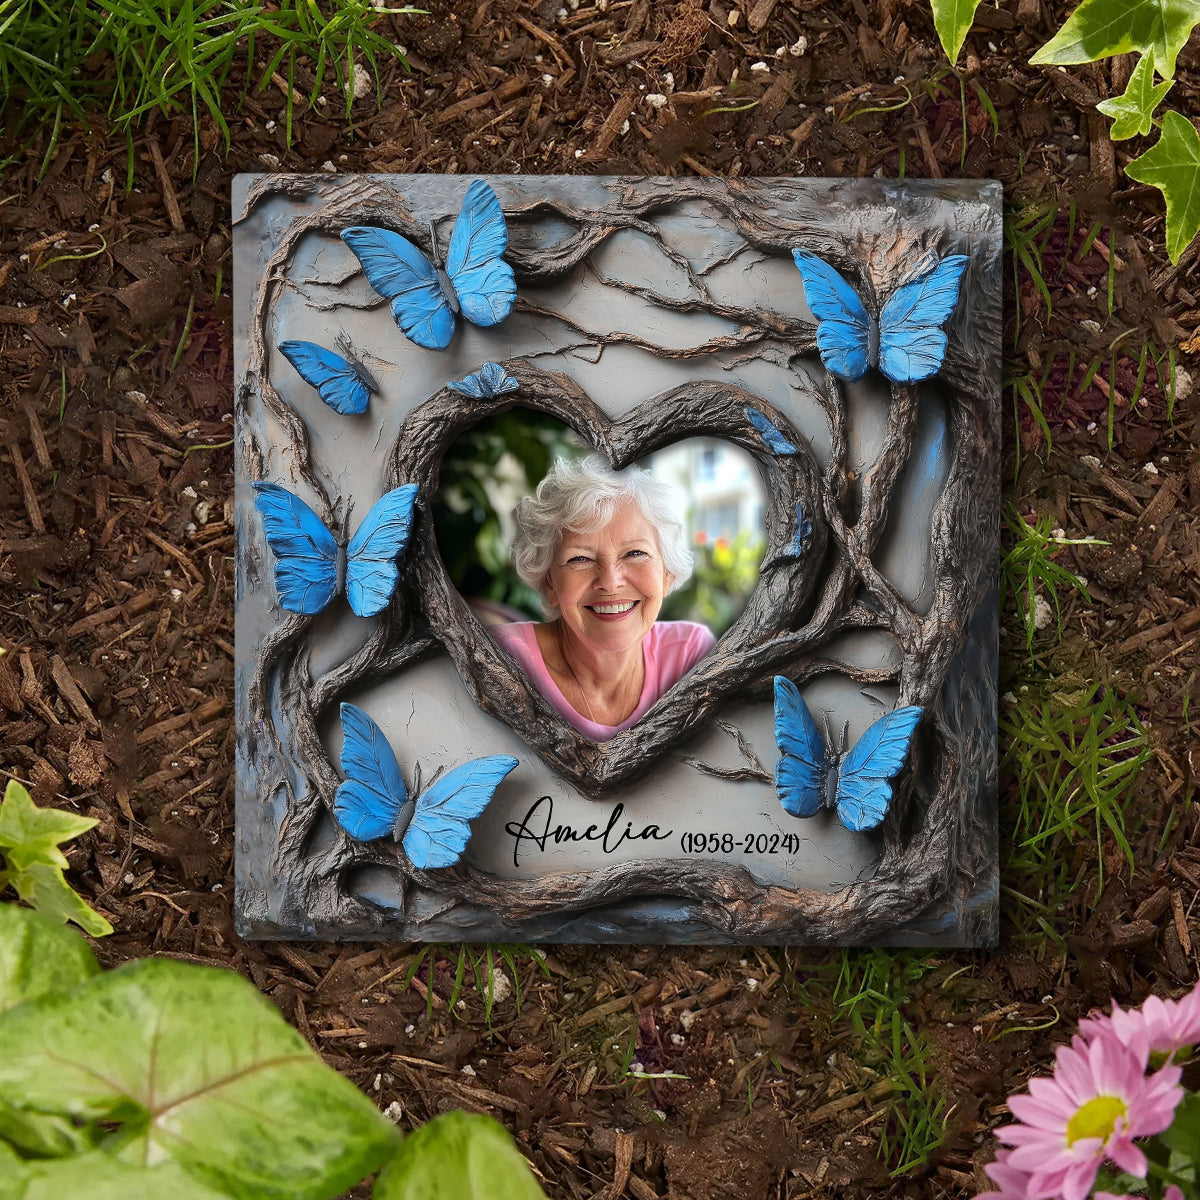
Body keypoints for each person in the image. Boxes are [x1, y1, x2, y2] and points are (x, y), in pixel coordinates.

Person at [491, 455, 714, 741]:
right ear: (549, 583)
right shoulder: (503, 658)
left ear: (667, 574)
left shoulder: (690, 655)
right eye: (580, 558)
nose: (610, 582)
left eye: (635, 553)